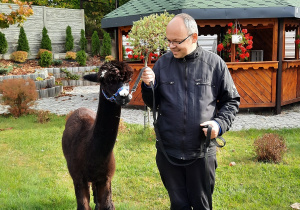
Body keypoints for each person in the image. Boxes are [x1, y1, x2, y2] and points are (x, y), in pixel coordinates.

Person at [141, 13, 240, 210]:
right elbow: (154, 104)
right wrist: (148, 86)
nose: (171, 46)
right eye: (168, 41)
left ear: (194, 37)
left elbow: (231, 101)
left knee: (202, 205)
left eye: (176, 41)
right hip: (168, 153)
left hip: (201, 153)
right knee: (178, 205)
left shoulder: (215, 64)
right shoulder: (162, 64)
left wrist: (219, 125)